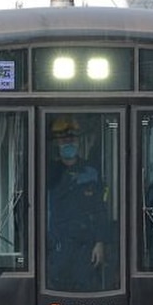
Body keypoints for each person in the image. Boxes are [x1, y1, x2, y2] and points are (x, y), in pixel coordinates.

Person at [46, 116, 111, 291]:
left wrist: (100, 242)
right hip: (56, 246)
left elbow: (100, 209)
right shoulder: (46, 172)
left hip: (85, 248)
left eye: (72, 139)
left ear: (78, 141)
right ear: (56, 143)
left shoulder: (91, 172)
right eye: (63, 139)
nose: (68, 143)